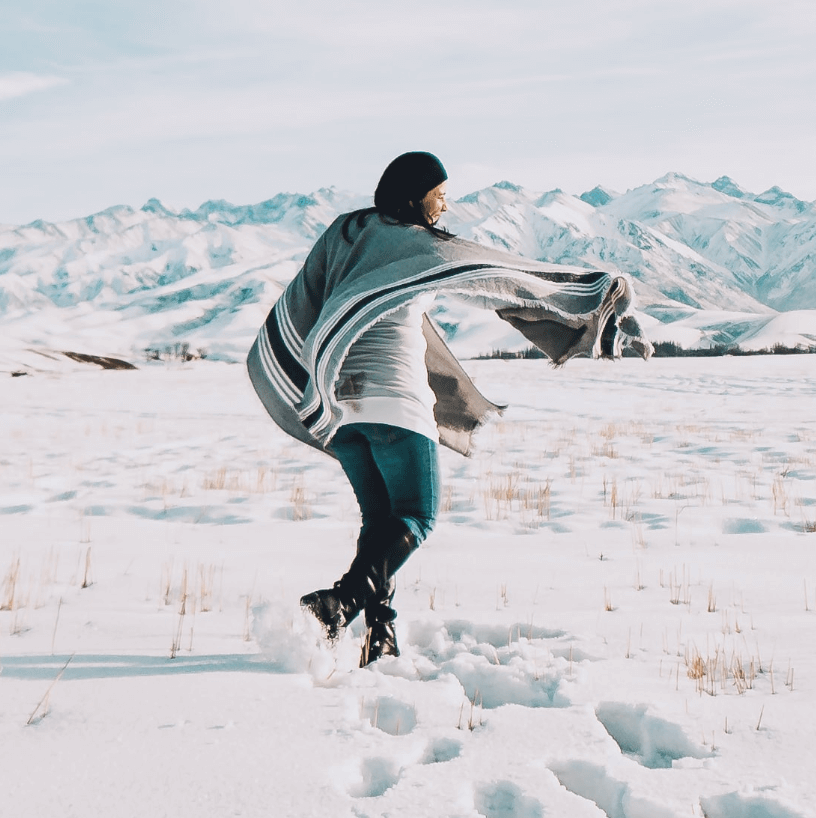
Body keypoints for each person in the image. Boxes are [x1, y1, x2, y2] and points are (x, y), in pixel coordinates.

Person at [248, 151, 648, 665]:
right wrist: (596, 304)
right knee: (416, 516)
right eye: (439, 196)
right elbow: (494, 279)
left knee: (380, 525)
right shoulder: (418, 243)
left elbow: (305, 298)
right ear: (414, 196)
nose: (444, 207)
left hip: (340, 405)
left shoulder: (343, 234)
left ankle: (381, 634)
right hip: (395, 402)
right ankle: (342, 602)